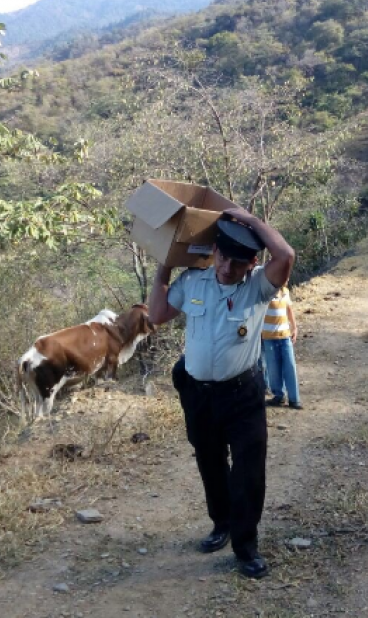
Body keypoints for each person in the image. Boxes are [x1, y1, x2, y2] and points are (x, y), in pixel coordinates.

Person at [148, 208, 294, 580]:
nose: (227, 268)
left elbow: (287, 256)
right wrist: (164, 266)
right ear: (214, 251)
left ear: (253, 263)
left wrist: (251, 220)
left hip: (242, 395)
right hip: (199, 395)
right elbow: (158, 313)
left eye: (238, 262)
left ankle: (246, 546)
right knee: (210, 462)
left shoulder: (259, 286)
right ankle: (221, 523)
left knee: (248, 470)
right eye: (223, 257)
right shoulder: (194, 282)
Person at [263, 286, 301, 409]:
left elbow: (289, 309)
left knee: (290, 366)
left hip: (285, 336)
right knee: (273, 368)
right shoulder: (265, 291)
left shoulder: (285, 292)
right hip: (268, 337)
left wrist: (294, 327)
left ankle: (294, 399)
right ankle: (279, 395)